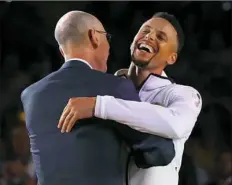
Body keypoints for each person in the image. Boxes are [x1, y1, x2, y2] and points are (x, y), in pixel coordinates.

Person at [21, 11, 175, 185]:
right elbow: (161, 152)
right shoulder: (115, 87)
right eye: (106, 37)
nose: (109, 47)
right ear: (94, 36)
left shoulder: (31, 95)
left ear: (62, 49)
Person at [58, 12, 202, 185]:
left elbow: (177, 124)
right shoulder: (106, 86)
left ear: (172, 58)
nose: (149, 37)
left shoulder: (182, 94)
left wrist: (100, 105)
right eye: (145, 31)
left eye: (160, 37)